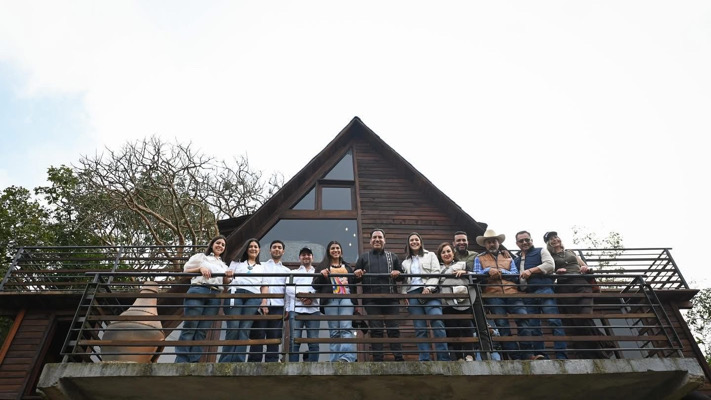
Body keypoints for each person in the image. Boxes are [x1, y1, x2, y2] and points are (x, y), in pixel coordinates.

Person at [545, 231, 609, 359]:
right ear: (548, 243)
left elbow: (585, 266)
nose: (555, 239)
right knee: (576, 320)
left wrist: (586, 269)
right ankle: (596, 352)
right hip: (564, 287)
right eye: (551, 239)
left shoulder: (571, 252)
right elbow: (548, 271)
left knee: (585, 316)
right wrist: (556, 272)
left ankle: (606, 345)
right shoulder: (549, 256)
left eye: (556, 237)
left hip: (580, 283)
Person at [473, 229, 534, 360]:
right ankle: (515, 357)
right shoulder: (479, 258)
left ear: (498, 243)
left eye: (494, 241)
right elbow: (476, 276)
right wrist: (488, 270)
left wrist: (500, 272)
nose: (491, 244)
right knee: (502, 326)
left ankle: (528, 354)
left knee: (523, 319)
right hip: (493, 295)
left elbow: (515, 274)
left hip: (512, 293)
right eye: (488, 242)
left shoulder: (508, 257)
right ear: (485, 244)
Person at [176, 235, 233, 363]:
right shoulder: (201, 257)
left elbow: (225, 283)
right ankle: (181, 361)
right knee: (190, 326)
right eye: (218, 243)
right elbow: (185, 271)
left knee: (202, 330)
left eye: (223, 245)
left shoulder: (223, 265)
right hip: (199, 290)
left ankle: (194, 362)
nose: (220, 246)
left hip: (215, 295)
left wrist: (228, 276)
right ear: (212, 244)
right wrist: (200, 268)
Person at [514, 230, 567, 360]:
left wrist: (531, 271)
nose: (525, 242)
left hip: (544, 289)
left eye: (527, 239)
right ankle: (542, 356)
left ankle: (562, 356)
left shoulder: (540, 251)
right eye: (521, 241)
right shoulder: (516, 259)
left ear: (531, 240)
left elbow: (550, 265)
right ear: (517, 243)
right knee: (533, 326)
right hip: (527, 294)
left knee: (554, 321)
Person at [354, 229, 405, 361]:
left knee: (393, 330)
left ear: (384, 240)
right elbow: (355, 278)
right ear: (370, 241)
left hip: (391, 299)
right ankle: (378, 360)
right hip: (371, 301)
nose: (377, 240)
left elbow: (402, 276)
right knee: (376, 331)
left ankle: (399, 359)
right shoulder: (363, 257)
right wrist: (358, 273)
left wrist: (398, 273)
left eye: (380, 237)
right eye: (374, 237)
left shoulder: (392, 256)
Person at [400, 233, 451, 361]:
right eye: (411, 240)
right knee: (420, 327)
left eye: (416, 239)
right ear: (408, 243)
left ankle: (443, 358)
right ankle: (424, 359)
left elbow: (436, 273)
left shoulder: (431, 255)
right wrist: (404, 294)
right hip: (413, 294)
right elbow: (405, 281)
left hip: (430, 292)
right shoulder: (405, 262)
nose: (414, 242)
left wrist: (429, 287)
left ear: (421, 242)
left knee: (437, 321)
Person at [219, 238, 268, 363]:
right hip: (235, 293)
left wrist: (264, 302)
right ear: (246, 249)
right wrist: (227, 277)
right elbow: (226, 282)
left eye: (256, 247)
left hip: (253, 297)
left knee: (245, 328)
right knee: (233, 327)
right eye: (251, 246)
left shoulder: (262, 267)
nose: (253, 248)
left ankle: (238, 360)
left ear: (259, 250)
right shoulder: (236, 263)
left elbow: (264, 286)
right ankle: (225, 360)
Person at [312, 241, 358, 362]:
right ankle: (334, 360)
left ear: (341, 251)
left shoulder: (347, 267)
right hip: (330, 300)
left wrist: (354, 277)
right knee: (334, 331)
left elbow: (353, 285)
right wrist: (321, 275)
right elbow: (315, 285)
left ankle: (347, 358)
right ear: (328, 251)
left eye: (338, 248)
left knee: (346, 328)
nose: (335, 250)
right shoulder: (322, 266)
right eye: (333, 248)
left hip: (346, 298)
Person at [248, 240, 290, 362]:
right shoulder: (262, 266)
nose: (277, 249)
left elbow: (288, 291)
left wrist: (286, 308)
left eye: (279, 247)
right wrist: (262, 301)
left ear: (283, 251)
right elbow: (259, 284)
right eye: (274, 247)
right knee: (258, 333)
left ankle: (272, 361)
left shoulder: (287, 271)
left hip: (278, 306)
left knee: (274, 334)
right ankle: (254, 361)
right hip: (261, 304)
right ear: (270, 250)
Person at [438, 242, 476, 361]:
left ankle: (470, 354)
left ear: (453, 253)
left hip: (463, 301)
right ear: (440, 255)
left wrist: (465, 273)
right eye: (443, 252)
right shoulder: (437, 269)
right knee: (452, 328)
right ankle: (458, 356)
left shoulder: (462, 264)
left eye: (448, 251)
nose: (446, 254)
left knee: (466, 326)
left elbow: (475, 275)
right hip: (446, 302)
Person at [286, 247, 320, 362]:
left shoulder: (317, 273)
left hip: (313, 310)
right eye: (303, 254)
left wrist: (311, 295)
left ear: (312, 257)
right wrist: (302, 296)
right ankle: (293, 367)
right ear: (299, 257)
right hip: (295, 310)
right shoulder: (293, 273)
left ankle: (314, 367)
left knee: (314, 341)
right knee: (294, 341)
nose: (306, 256)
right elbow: (288, 289)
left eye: (308, 254)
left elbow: (320, 288)